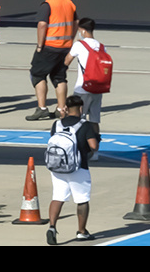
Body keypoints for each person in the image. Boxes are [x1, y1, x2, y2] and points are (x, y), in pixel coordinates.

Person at [46, 94, 100, 245]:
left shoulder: (57, 124)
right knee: (82, 199)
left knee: (58, 197)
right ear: (81, 108)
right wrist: (97, 137)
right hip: (78, 167)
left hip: (57, 167)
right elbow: (94, 146)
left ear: (66, 108)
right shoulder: (85, 125)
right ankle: (82, 232)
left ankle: (52, 227)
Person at [27, 0, 77, 121]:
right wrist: (70, 40)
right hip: (65, 47)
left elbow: (42, 25)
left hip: (49, 47)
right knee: (60, 77)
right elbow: (76, 22)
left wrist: (39, 45)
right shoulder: (69, 3)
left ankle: (42, 108)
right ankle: (61, 109)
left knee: (37, 74)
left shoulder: (47, 5)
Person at [65, 18, 106, 124]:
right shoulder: (101, 46)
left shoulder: (79, 45)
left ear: (83, 30)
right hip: (98, 87)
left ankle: (81, 139)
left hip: (83, 87)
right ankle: (95, 138)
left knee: (79, 118)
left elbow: (67, 61)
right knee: (94, 119)